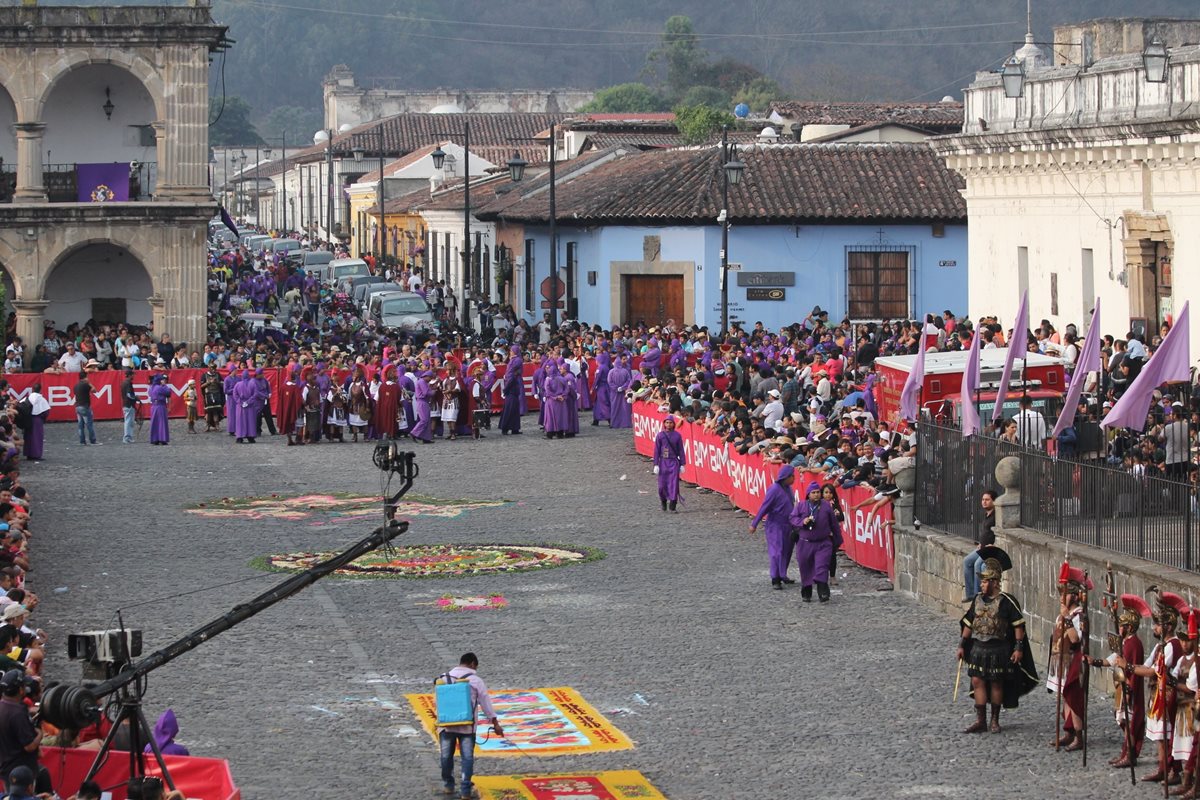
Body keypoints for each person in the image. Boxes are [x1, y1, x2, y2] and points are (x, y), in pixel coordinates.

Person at [956, 546, 1039, 734]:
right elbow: (969, 623)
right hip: (978, 648)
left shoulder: (1006, 602)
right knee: (977, 681)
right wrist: (962, 645)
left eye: (984, 582)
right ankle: (981, 720)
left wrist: (1018, 648)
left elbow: (1018, 625)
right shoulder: (977, 600)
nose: (982, 585)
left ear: (994, 582)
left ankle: (994, 719)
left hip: (998, 649)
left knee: (996, 682)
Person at [1119, 591, 1190, 785]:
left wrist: (1129, 667)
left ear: (1167, 626)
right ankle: (1163, 768)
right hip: (1156, 695)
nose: (1154, 627)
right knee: (1160, 736)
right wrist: (1129, 666)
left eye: (1158, 624)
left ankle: (1171, 770)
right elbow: (1148, 665)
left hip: (1167, 696)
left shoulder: (1172, 646)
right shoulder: (1160, 646)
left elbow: (1153, 672)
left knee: (1166, 736)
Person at [438, 652, 502, 800]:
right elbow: (486, 703)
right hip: (467, 727)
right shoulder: (475, 680)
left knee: (446, 756)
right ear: (473, 664)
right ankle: (465, 790)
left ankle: (448, 785)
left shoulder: (443, 678)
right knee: (467, 758)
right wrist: (495, 723)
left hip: (446, 725)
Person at [1097, 593, 1149, 770]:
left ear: (1129, 627)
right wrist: (1096, 662)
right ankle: (1126, 752)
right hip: (1122, 686)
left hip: (1129, 688)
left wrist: (1128, 692)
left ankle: (1130, 754)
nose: (1119, 628)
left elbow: (1131, 669)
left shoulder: (1134, 644)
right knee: (1122, 720)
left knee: (1129, 722)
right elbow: (1115, 658)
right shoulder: (1126, 641)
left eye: (1122, 626)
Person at [1047, 565, 1092, 751]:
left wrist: (1066, 619)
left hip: (1075, 660)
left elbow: (1075, 638)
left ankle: (1079, 736)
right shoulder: (1065, 613)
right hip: (1062, 660)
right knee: (1064, 696)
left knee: (1073, 696)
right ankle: (1068, 731)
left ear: (1073, 596)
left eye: (1064, 594)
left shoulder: (1079, 616)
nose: (1061, 598)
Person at [788, 481, 840, 603]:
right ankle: (807, 592)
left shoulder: (826, 506)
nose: (816, 495)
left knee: (822, 566)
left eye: (818, 492)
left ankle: (823, 592)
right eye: (813, 493)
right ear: (808, 494)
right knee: (805, 569)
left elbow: (834, 524)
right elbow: (792, 518)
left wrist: (836, 541)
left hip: (823, 543)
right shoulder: (801, 506)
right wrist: (803, 521)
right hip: (805, 543)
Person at [749, 464, 797, 589]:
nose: (794, 479)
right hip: (775, 525)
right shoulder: (774, 489)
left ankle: (783, 574)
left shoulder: (788, 489)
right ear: (786, 477)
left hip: (788, 525)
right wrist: (754, 523)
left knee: (787, 550)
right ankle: (775, 578)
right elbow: (764, 507)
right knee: (777, 551)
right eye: (792, 476)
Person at [0, 670, 40, 789]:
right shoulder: (17, 714)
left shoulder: (3, 706)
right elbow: (29, 746)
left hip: (6, 767)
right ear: (20, 690)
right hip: (21, 771)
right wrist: (40, 734)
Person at [962, 490, 998, 602]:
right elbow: (986, 533)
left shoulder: (996, 515)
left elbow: (998, 533)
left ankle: (979, 595)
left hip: (990, 549)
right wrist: (980, 543)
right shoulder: (986, 514)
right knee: (967, 561)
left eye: (987, 500)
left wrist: (994, 544)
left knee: (978, 565)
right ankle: (971, 594)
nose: (984, 502)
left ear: (994, 501)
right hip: (982, 547)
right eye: (983, 500)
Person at [653, 415, 686, 512]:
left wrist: (682, 464)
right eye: (667, 422)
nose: (668, 424)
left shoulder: (677, 435)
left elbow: (681, 450)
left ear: (673, 424)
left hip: (674, 462)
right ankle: (663, 501)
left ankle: (673, 505)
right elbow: (656, 450)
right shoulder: (660, 435)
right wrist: (656, 464)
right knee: (662, 485)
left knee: (673, 484)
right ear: (664, 424)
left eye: (670, 423)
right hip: (663, 462)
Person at [18, 389, 47, 464]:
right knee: (37, 438)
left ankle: (28, 454)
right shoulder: (41, 399)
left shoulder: (27, 398)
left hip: (28, 419)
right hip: (37, 420)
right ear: (40, 390)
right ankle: (36, 455)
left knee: (28, 437)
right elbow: (45, 411)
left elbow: (20, 407)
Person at [498, 347, 523, 436]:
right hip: (513, 387)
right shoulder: (515, 360)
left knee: (511, 409)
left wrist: (506, 389)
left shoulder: (514, 361)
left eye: (511, 351)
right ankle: (509, 428)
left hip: (512, 387)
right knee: (512, 409)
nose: (510, 352)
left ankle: (512, 428)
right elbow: (512, 375)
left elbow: (511, 375)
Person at [73, 370, 98, 446]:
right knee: (89, 424)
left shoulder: (76, 386)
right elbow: (94, 390)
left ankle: (82, 441)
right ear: (85, 377)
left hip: (77, 406)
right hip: (85, 406)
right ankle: (92, 440)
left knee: (80, 425)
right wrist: (89, 383)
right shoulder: (86, 384)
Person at [148, 374, 171, 445]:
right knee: (162, 422)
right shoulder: (160, 388)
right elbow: (168, 392)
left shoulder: (151, 387)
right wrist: (165, 385)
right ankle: (162, 438)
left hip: (153, 406)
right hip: (160, 406)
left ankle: (155, 439)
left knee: (154, 422)